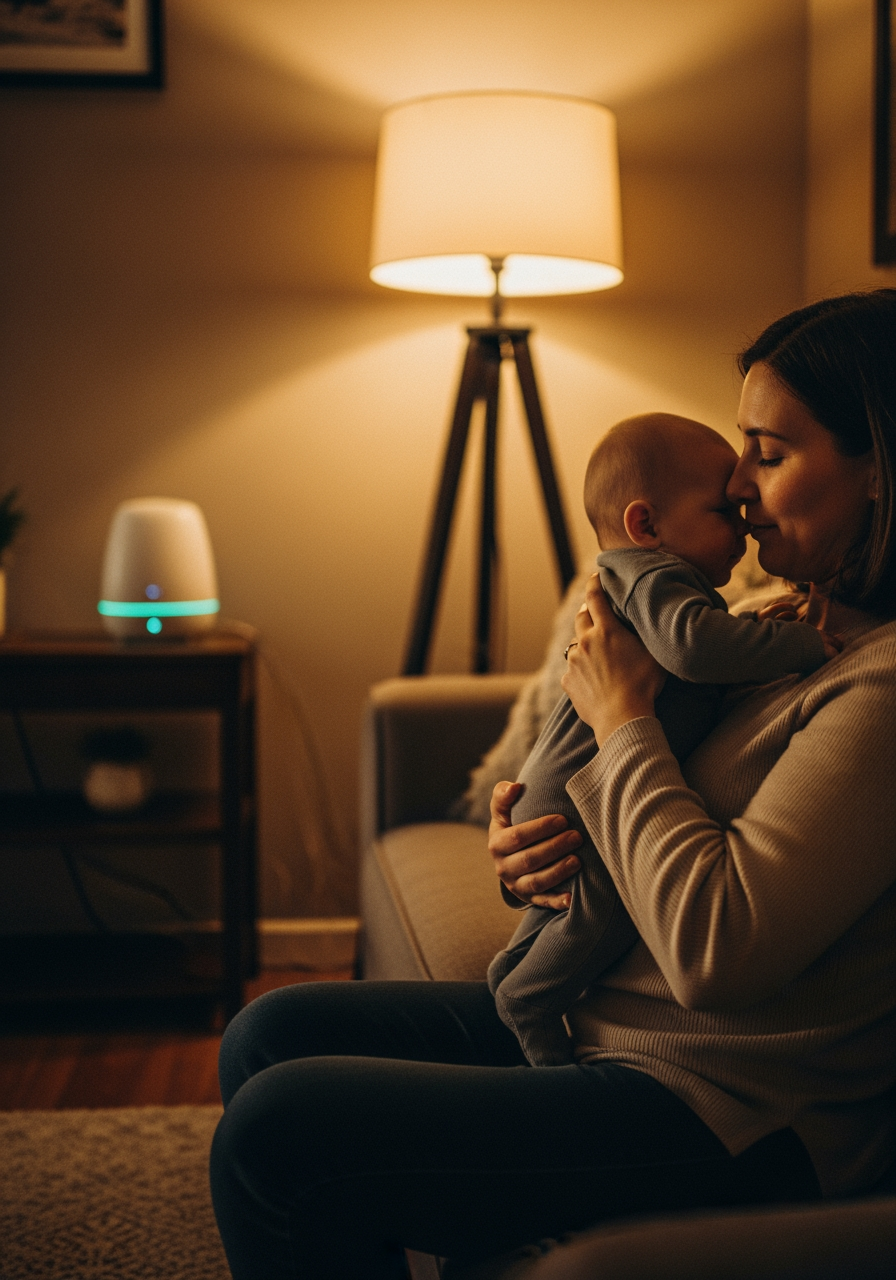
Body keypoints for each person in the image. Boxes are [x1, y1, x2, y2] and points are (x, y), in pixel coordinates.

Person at [209, 290, 896, 1280]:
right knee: (270, 1032)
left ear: (876, 466)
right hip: (601, 1019)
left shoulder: (877, 690)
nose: (738, 487)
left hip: (724, 1104)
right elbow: (635, 811)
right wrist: (536, 835)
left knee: (278, 1137)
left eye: (769, 453)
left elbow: (715, 947)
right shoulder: (771, 619)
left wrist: (620, 720)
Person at [489, 412, 838, 1067]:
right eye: (723, 506)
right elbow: (693, 647)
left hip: (576, 796)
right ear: (646, 526)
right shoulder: (659, 579)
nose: (743, 512)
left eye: (771, 455)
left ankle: (513, 981)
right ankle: (529, 1000)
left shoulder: (662, 583)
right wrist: (797, 641)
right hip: (580, 795)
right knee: (594, 913)